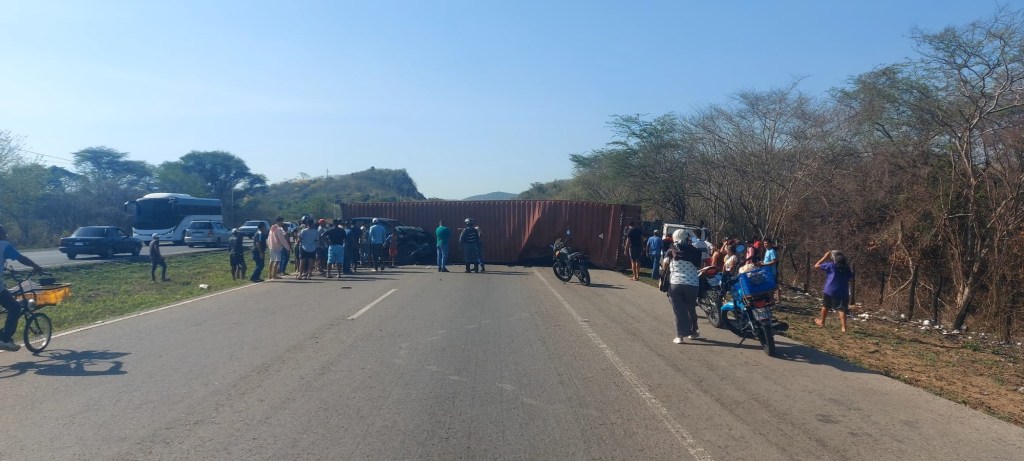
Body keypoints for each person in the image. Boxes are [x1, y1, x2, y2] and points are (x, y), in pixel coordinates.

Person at [0, 224, 45, 351]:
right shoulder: (3, 245)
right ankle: (5, 339)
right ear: (2, 234)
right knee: (14, 308)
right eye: (5, 233)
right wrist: (36, 266)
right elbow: (21, 258)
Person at [662, 229, 703, 344]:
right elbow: (699, 266)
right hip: (692, 284)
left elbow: (665, 264)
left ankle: (680, 336)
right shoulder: (696, 251)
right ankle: (693, 332)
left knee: (678, 310)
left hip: (675, 283)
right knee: (691, 308)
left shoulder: (671, 250)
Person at [814, 249, 855, 332]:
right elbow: (851, 277)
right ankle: (843, 327)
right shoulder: (846, 268)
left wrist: (824, 257)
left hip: (830, 290)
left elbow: (816, 266)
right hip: (843, 292)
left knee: (826, 305)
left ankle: (822, 322)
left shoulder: (831, 265)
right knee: (842, 309)